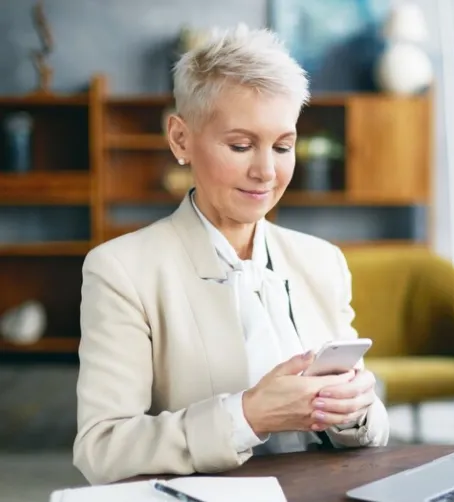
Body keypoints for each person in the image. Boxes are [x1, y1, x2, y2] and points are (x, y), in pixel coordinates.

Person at [73, 25, 389, 485]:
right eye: (241, 146)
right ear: (181, 139)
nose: (265, 171)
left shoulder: (322, 262)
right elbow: (102, 450)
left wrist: (354, 411)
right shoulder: (121, 270)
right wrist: (247, 416)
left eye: (283, 146)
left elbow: (371, 429)